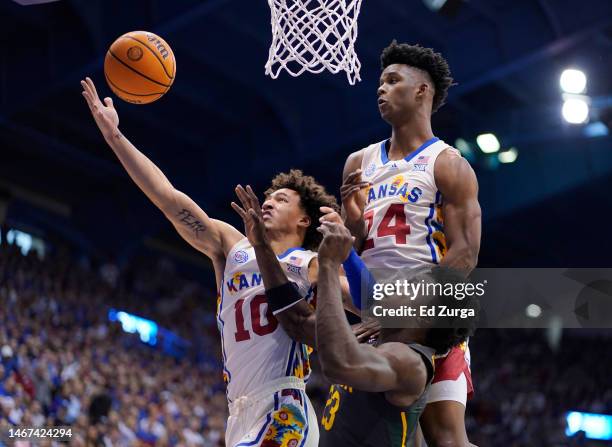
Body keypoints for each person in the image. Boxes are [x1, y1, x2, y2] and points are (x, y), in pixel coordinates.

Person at [80, 77, 364, 447]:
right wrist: (115, 138)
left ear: (304, 220)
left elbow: (364, 303)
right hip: (238, 412)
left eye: (281, 199)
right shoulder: (233, 246)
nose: (269, 201)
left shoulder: (309, 262)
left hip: (284, 406)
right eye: (269, 196)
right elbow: (169, 200)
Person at [340, 42, 482, 446]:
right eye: (380, 82)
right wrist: (352, 221)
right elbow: (345, 247)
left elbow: (465, 253)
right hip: (373, 313)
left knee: (446, 438)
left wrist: (415, 315)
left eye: (392, 80)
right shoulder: (358, 162)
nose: (380, 89)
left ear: (423, 91)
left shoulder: (447, 163)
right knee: (395, 437)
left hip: (426, 321)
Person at [314, 221, 479, 446]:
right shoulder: (380, 339)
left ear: (424, 315)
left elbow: (338, 362)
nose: (398, 282)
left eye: (411, 285)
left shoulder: (405, 359)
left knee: (449, 441)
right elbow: (300, 323)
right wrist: (263, 249)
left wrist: (329, 266)